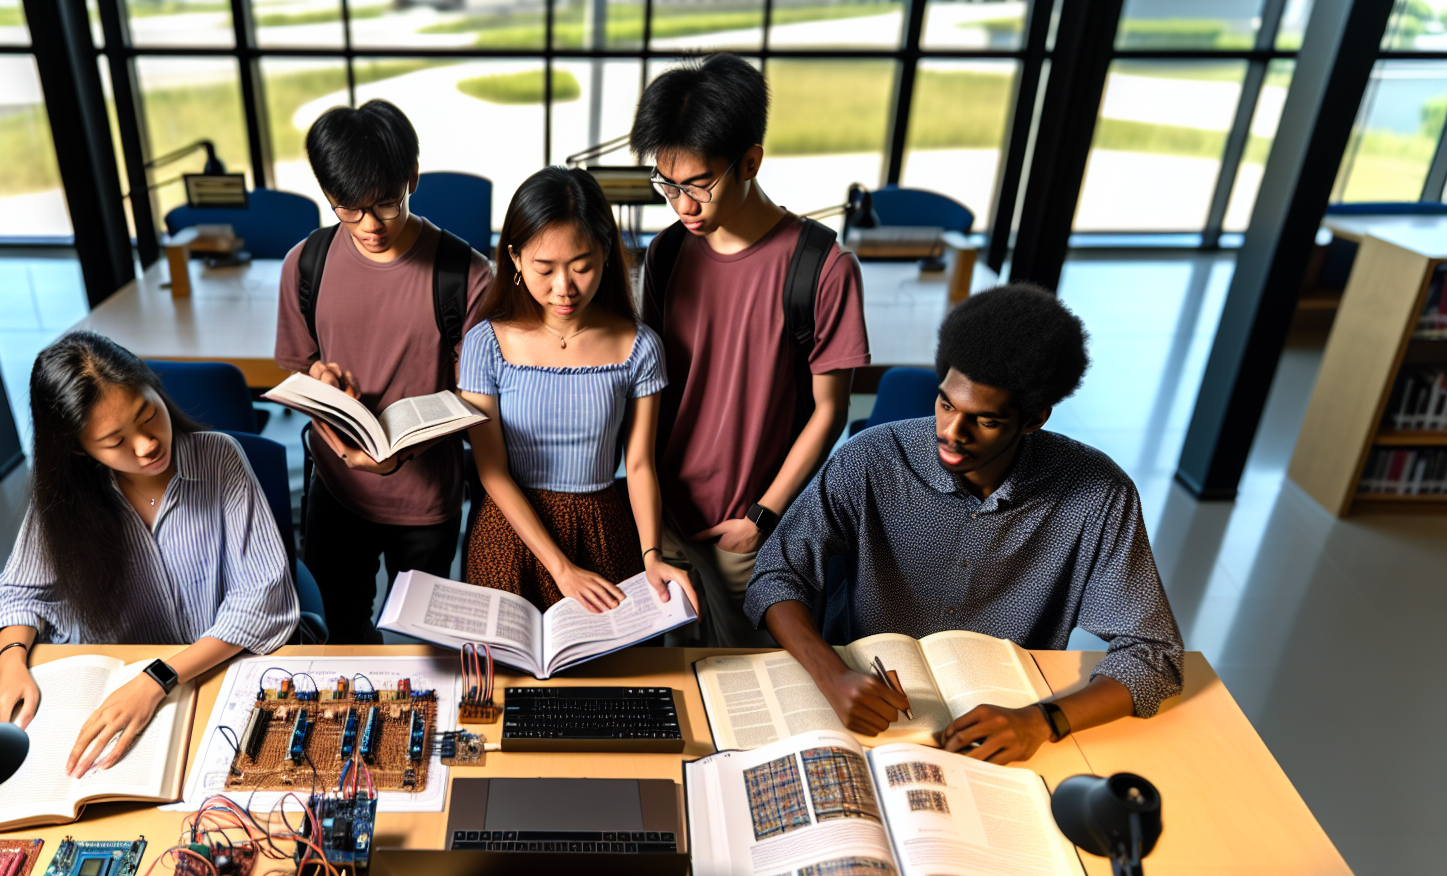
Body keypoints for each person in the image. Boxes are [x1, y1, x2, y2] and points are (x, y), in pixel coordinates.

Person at [746, 284, 1184, 764]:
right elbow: (775, 575)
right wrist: (831, 674)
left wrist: (1043, 721)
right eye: (947, 403)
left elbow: (1154, 653)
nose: (951, 433)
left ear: (1033, 420)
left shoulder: (1097, 493)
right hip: (865, 711)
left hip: (1008, 727)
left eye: (985, 420)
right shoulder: (870, 459)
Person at [0, 331, 299, 778]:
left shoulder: (220, 459)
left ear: (155, 388)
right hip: (115, 692)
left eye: (148, 415)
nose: (146, 445)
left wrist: (158, 678)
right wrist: (10, 663)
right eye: (114, 441)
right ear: (77, 447)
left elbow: (260, 604)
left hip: (213, 675)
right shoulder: (65, 498)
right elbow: (18, 594)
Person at [628, 52, 870, 647]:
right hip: (664, 518)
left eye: (698, 185)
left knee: (750, 682)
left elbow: (830, 412)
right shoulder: (667, 254)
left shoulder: (821, 266)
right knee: (676, 680)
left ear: (750, 162)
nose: (682, 205)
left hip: (748, 524)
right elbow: (648, 385)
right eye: (667, 184)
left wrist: (761, 518)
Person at [274, 98, 493, 643]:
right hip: (334, 488)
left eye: (387, 204)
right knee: (341, 631)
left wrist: (401, 453)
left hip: (425, 501)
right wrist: (320, 385)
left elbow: (478, 400)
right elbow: (297, 365)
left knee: (422, 645)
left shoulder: (466, 275)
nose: (370, 225)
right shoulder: (306, 263)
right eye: (348, 208)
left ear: (412, 177)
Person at [457, 165, 697, 613]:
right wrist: (560, 568)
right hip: (511, 531)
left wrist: (652, 556)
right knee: (509, 677)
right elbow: (492, 471)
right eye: (544, 269)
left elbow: (641, 465)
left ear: (606, 254)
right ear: (514, 258)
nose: (563, 288)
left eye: (582, 267)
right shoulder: (485, 344)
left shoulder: (639, 346)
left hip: (604, 527)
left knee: (615, 675)